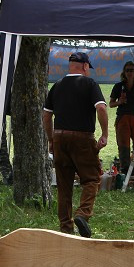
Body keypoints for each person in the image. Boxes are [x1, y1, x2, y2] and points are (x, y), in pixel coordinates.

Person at [42, 51, 108, 238]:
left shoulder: (57, 86)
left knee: (64, 186)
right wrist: (104, 134)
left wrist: (51, 139)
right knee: (91, 179)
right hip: (83, 138)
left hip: (59, 138)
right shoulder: (89, 84)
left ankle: (66, 229)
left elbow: (46, 115)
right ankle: (82, 214)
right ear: (85, 66)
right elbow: (101, 108)